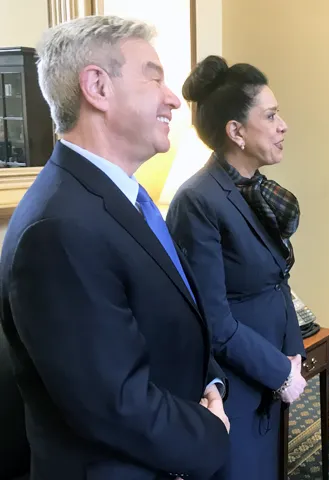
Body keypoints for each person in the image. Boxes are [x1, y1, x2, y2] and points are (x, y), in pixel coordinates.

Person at [0, 16, 231, 480]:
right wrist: (210, 431)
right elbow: (114, 405)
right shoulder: (57, 229)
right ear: (98, 88)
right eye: (154, 78)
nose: (172, 99)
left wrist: (210, 382)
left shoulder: (126, 200)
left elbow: (176, 314)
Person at [166, 56, 307, 480]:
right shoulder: (198, 201)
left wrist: (293, 351)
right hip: (234, 382)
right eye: (271, 115)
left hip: (270, 366)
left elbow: (276, 282)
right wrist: (279, 370)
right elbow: (213, 320)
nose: (283, 125)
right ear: (236, 132)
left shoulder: (254, 190)